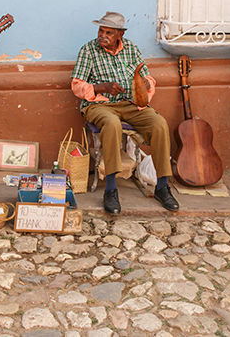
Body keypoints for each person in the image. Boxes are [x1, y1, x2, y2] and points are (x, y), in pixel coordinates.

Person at [70, 11, 180, 215]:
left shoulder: (131, 49)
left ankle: (162, 186)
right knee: (112, 124)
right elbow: (76, 85)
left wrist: (147, 83)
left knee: (159, 124)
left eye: (109, 33)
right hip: (100, 105)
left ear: (120, 34)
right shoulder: (88, 50)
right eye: (101, 30)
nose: (102, 35)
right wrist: (102, 87)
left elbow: (147, 77)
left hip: (131, 104)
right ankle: (111, 189)